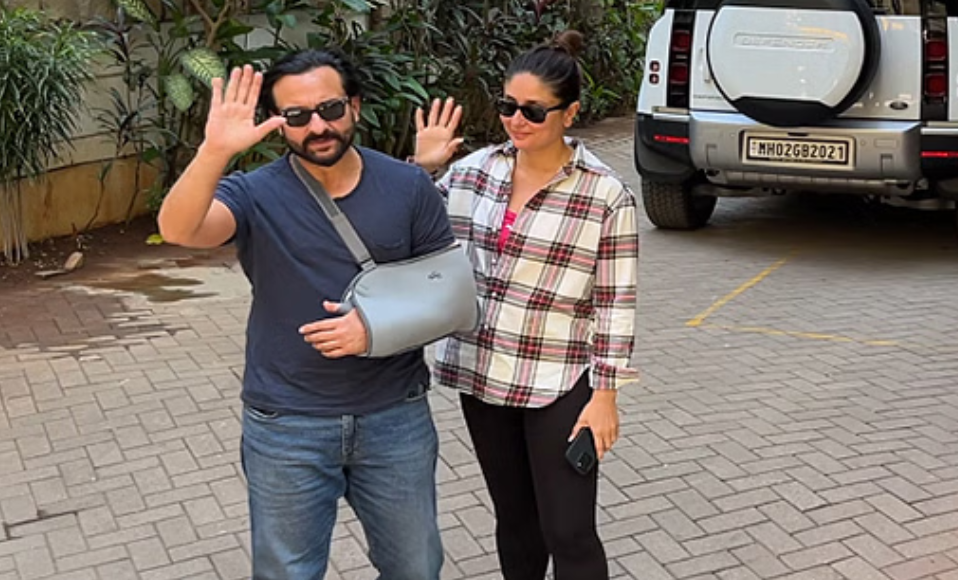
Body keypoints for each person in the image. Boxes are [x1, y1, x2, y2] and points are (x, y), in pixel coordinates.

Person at [156, 50, 450, 580]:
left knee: (416, 567)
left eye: (330, 108)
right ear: (277, 123)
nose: (317, 127)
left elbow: (447, 293)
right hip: (286, 423)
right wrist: (214, 151)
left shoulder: (408, 187)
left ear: (354, 105)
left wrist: (375, 328)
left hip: (394, 416)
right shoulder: (253, 193)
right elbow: (179, 229)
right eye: (296, 116)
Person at [414, 30, 639, 580]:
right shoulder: (472, 172)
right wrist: (421, 168)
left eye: (534, 111)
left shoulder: (604, 194)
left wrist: (605, 396)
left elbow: (615, 302)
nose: (516, 120)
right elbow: (405, 227)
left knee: (569, 530)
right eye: (508, 106)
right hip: (483, 374)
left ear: (570, 113)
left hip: (558, 380)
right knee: (515, 522)